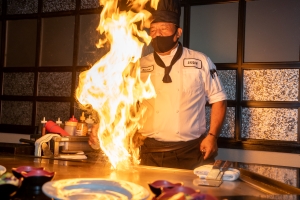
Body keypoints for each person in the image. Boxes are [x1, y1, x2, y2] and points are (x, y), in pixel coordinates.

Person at [89, 0, 227, 170]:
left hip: (190, 152)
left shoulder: (200, 61)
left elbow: (219, 100)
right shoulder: (139, 65)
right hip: (149, 153)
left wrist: (212, 136)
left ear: (177, 33)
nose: (158, 34)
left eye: (164, 29)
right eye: (153, 30)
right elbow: (125, 105)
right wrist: (105, 125)